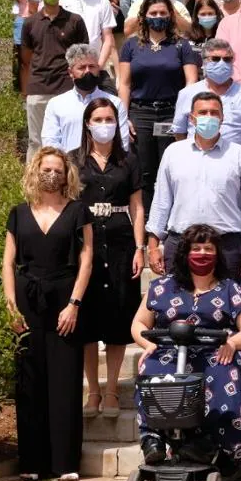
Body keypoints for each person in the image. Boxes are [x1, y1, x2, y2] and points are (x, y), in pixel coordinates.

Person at [132, 224, 241, 466]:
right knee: (150, 369)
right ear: (185, 253)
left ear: (217, 254)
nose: (202, 253)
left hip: (216, 352)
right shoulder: (162, 287)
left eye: (208, 248)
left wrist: (233, 343)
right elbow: (139, 322)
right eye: (196, 248)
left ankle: (214, 446)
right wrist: (145, 343)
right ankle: (154, 439)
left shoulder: (229, 289)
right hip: (170, 352)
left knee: (225, 372)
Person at [2, 148, 93, 481]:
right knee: (29, 378)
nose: (51, 175)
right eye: (46, 169)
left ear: (66, 174)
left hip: (64, 297)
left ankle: (65, 462)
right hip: (27, 298)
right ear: (35, 172)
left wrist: (75, 303)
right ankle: (31, 462)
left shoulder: (77, 211)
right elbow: (8, 262)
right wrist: (10, 307)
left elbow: (87, 259)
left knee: (65, 378)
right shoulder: (18, 213)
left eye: (57, 169)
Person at [73, 98, 144, 420]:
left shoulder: (128, 160)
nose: (104, 124)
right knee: (87, 322)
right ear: (88, 123)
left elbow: (137, 207)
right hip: (86, 244)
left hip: (120, 242)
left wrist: (140, 247)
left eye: (109, 118)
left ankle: (113, 388)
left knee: (117, 318)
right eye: (98, 118)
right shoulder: (75, 161)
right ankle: (93, 390)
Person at [146, 92, 241, 279]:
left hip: (227, 246)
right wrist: (153, 247)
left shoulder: (239, 154)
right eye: (202, 113)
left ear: (222, 117)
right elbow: (161, 201)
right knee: (177, 306)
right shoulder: (173, 153)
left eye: (214, 113)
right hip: (181, 243)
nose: (208, 117)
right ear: (192, 118)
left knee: (228, 306)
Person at [117, 0, 200, 212]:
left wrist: (183, 116)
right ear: (144, 16)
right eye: (153, 13)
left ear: (170, 15)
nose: (158, 17)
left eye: (163, 13)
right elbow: (124, 83)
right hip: (140, 113)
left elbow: (191, 81)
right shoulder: (131, 45)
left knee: (172, 169)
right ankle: (145, 225)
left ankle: (172, 220)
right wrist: (123, 118)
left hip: (171, 113)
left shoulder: (182, 46)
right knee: (144, 172)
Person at [22, 0, 89, 161]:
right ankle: (34, 187)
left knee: (69, 140)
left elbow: (82, 56)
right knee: (36, 141)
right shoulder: (30, 23)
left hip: (66, 88)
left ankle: (70, 184)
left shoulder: (75, 21)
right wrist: (25, 90)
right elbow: (26, 60)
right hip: (38, 89)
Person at [171, 39, 241, 152]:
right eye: (215, 59)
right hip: (197, 161)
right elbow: (179, 132)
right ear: (204, 62)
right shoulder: (187, 94)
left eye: (227, 59)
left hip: (235, 163)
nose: (221, 63)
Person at [41, 44, 131, 152]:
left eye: (92, 66)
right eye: (82, 67)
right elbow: (50, 141)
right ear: (70, 72)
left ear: (98, 68)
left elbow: (123, 142)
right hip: (69, 165)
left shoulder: (115, 103)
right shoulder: (56, 104)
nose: (88, 71)